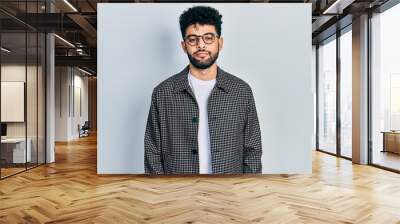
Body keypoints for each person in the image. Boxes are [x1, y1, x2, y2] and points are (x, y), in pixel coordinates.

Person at [144, 6, 262, 174]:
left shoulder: (241, 91)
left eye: (208, 38)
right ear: (184, 45)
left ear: (220, 43)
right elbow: (152, 151)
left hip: (228, 192)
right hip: (179, 192)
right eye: (193, 39)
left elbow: (253, 150)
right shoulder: (163, 93)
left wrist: (247, 190)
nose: (201, 45)